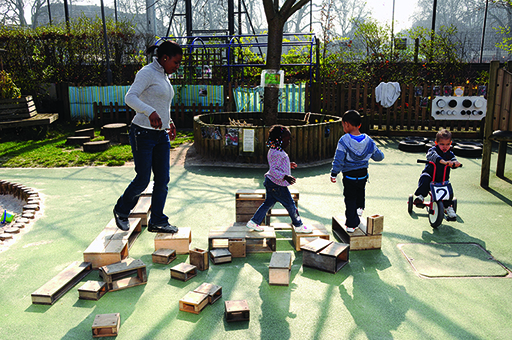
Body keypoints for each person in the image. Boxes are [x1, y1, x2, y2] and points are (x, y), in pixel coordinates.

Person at [113, 40, 183, 233]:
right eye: (175, 62)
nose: (177, 67)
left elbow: (161, 104)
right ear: (165, 58)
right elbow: (130, 97)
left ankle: (157, 220)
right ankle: (121, 210)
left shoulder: (164, 76)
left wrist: (169, 123)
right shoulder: (147, 73)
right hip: (142, 133)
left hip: (161, 135)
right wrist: (150, 112)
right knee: (143, 179)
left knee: (162, 179)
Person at [246, 125, 312, 234]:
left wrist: (288, 164)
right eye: (287, 139)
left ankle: (254, 222)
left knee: (268, 204)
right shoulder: (277, 153)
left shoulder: (274, 150)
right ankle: (298, 225)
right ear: (279, 140)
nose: (289, 142)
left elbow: (277, 165)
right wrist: (285, 176)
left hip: (271, 183)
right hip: (278, 185)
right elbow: (273, 170)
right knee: (291, 205)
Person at [330, 110, 385, 232]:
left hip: (349, 176)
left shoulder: (344, 140)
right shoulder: (369, 141)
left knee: (349, 198)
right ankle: (360, 207)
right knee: (360, 190)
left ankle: (351, 224)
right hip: (362, 175)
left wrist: (334, 173)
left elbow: (338, 159)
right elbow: (379, 157)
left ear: (347, 124)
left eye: (343, 125)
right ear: (359, 125)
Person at [413, 129, 461, 220]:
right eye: (442, 144)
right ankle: (420, 196)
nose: (445, 146)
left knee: (447, 188)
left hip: (442, 179)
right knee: (425, 178)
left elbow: (454, 160)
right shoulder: (433, 150)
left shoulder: (450, 154)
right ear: (436, 143)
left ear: (450, 143)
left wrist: (455, 163)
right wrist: (444, 162)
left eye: (447, 144)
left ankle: (448, 207)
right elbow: (433, 156)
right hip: (430, 175)